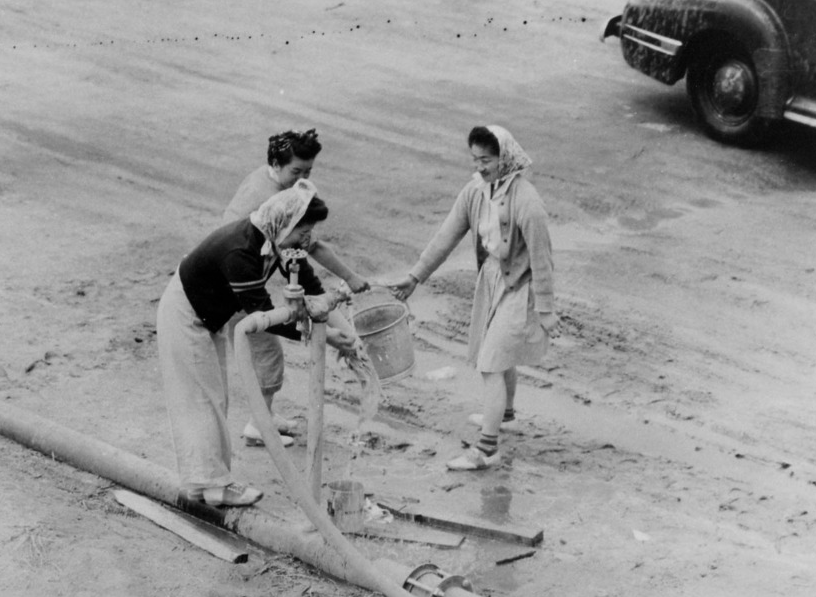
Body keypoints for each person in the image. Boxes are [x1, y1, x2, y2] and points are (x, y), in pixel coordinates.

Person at [157, 180, 357, 506]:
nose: (306, 239)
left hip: (209, 315)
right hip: (185, 315)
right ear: (285, 222)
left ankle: (202, 483)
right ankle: (211, 486)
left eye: (310, 231)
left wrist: (346, 333)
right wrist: (320, 336)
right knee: (200, 399)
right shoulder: (241, 250)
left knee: (214, 398)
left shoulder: (275, 241)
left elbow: (310, 284)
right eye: (302, 231)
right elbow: (263, 315)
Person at [389, 125, 559, 471]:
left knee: (491, 361)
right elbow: (446, 236)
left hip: (520, 286)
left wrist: (546, 309)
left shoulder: (527, 200)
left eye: (487, 160)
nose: (481, 167)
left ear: (505, 158)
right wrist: (414, 277)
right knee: (498, 354)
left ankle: (486, 450)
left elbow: (543, 258)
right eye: (476, 159)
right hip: (492, 278)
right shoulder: (475, 192)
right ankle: (506, 414)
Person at [224, 129, 370, 448]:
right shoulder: (270, 199)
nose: (301, 180)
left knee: (268, 350)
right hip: (234, 283)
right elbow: (308, 250)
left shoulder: (273, 183)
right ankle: (258, 424)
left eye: (308, 172)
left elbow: (297, 257)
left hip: (244, 271)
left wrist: (317, 294)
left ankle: (264, 415)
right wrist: (350, 280)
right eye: (296, 172)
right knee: (267, 353)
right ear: (276, 165)